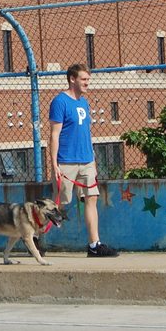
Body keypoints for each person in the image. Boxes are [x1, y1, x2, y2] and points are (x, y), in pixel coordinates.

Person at [49, 63, 120, 257]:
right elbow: (54, 135)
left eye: (88, 79)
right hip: (66, 161)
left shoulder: (84, 103)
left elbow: (86, 133)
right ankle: (36, 237)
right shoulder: (60, 102)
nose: (87, 83)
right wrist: (54, 164)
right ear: (72, 79)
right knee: (59, 204)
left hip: (87, 161)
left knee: (91, 198)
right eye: (84, 79)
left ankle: (94, 245)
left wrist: (93, 160)